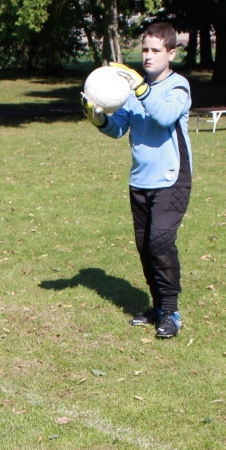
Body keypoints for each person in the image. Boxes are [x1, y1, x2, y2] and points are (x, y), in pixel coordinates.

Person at [83, 22, 192, 339]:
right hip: (140, 180)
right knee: (145, 246)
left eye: (155, 50)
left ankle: (171, 312)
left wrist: (141, 89)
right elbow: (120, 128)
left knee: (160, 241)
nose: (148, 55)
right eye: (145, 49)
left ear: (170, 53)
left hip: (172, 178)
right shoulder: (131, 92)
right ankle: (157, 306)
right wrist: (99, 119)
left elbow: (163, 116)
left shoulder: (179, 87)